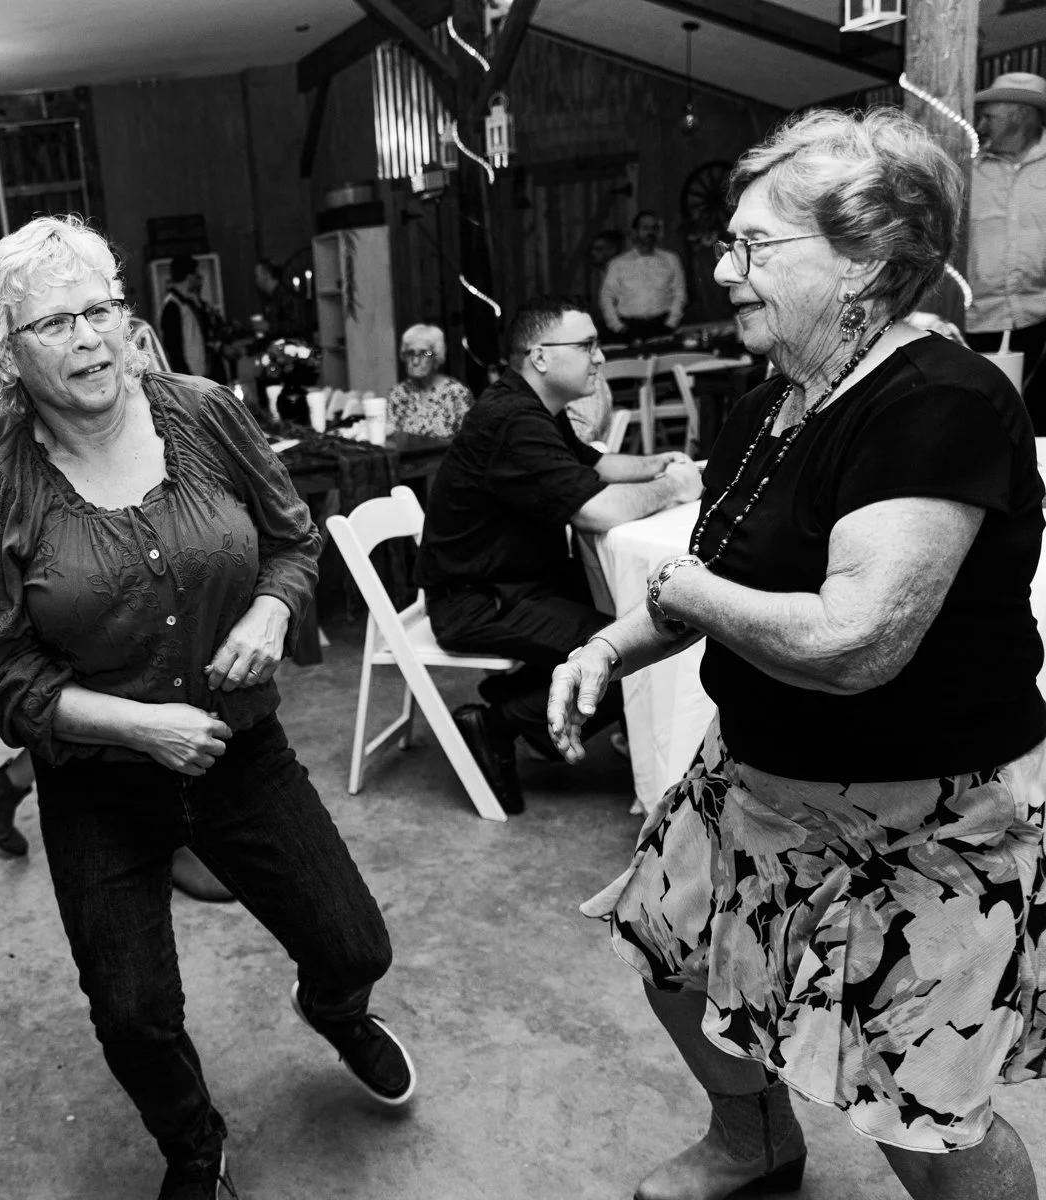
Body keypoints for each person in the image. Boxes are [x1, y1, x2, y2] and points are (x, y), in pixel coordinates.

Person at [554, 108, 1046, 1200]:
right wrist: (612, 642)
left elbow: (852, 640)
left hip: (914, 821)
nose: (723, 269)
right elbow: (721, 578)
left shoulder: (941, 403)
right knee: (672, 967)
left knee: (920, 1117)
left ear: (867, 259)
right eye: (727, 243)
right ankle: (754, 1141)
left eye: (754, 245)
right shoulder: (774, 401)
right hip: (751, 784)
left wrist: (680, 589)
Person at [0, 215, 414, 1200]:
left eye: (99, 312)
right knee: (132, 1012)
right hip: (99, 783)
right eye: (53, 325)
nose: (87, 339)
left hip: (242, 748)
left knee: (356, 945)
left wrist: (267, 608)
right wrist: (135, 725)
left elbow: (295, 541)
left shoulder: (204, 413)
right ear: (8, 353)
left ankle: (333, 1010)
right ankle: (193, 1146)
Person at [416, 296, 703, 813]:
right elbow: (597, 510)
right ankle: (497, 722)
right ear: (541, 356)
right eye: (588, 344)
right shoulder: (512, 420)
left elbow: (595, 464)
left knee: (621, 625)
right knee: (628, 653)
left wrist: (661, 462)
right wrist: (674, 490)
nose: (599, 357)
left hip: (516, 584)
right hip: (478, 600)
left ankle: (520, 703)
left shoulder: (532, 408)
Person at [966, 71, 1046, 430]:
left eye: (990, 117)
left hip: (1039, 319)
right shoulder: (967, 169)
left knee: (1036, 419)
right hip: (976, 320)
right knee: (982, 420)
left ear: (1020, 114)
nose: (980, 125)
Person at [600, 211, 687, 342]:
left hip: (662, 326)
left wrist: (671, 323)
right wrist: (617, 327)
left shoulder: (671, 259)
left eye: (654, 228)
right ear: (634, 232)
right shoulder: (617, 264)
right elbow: (606, 297)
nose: (650, 232)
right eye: (645, 228)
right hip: (629, 328)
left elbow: (680, 293)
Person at [388, 323, 474, 440]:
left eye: (425, 353)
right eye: (410, 353)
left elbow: (471, 442)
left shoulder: (457, 393)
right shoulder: (398, 394)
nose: (416, 360)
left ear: (436, 358)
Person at [159, 254, 213, 379]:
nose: (198, 279)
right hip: (189, 378)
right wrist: (188, 380)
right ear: (190, 277)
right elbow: (174, 351)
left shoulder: (188, 303)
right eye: (196, 275)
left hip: (198, 377)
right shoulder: (172, 306)